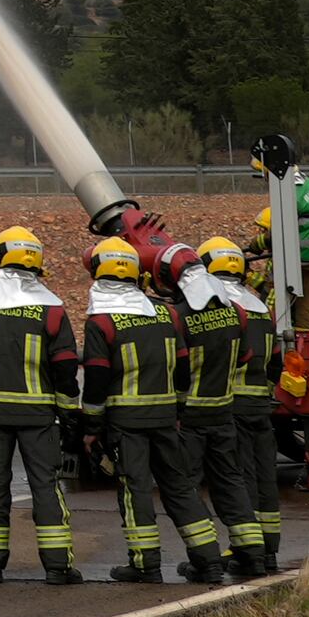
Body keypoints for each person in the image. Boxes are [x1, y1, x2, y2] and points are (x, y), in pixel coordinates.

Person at [80, 234, 225, 584]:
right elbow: (182, 367)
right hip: (164, 420)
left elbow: (97, 378)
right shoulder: (165, 314)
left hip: (126, 423)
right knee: (180, 487)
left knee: (135, 490)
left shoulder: (101, 321)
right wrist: (176, 412)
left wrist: (90, 425)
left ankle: (145, 565)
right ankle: (209, 559)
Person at [0, 223, 85, 584]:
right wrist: (69, 416)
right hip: (39, 417)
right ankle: (57, 567)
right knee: (46, 485)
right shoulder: (53, 310)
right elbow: (66, 370)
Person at [181, 236, 281, 578]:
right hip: (259, 407)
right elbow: (274, 363)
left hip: (229, 406)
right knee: (264, 478)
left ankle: (241, 549)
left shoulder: (222, 309)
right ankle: (267, 552)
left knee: (237, 480)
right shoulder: (259, 308)